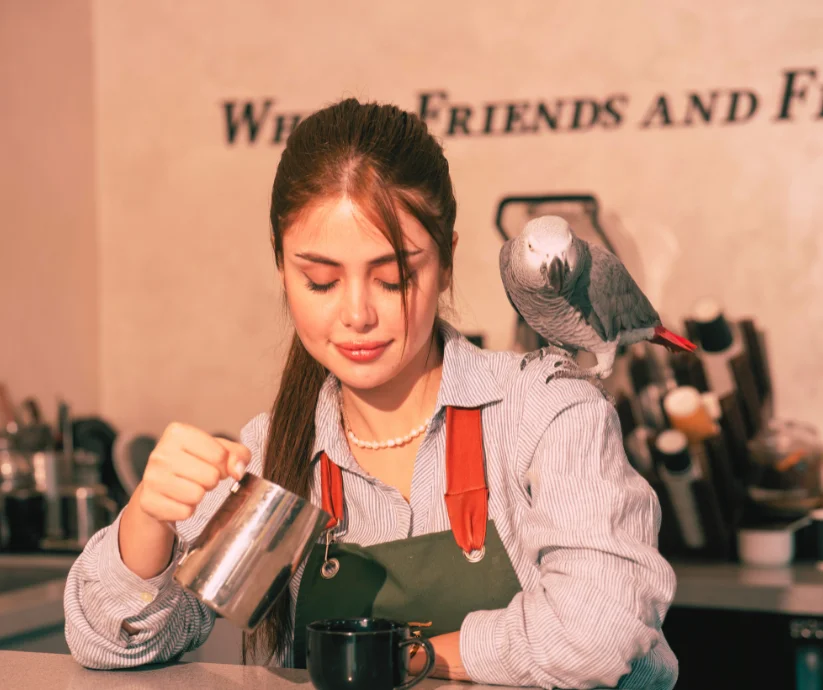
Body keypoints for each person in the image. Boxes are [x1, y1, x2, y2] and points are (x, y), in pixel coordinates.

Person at [64, 98, 678, 689]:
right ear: (283, 269)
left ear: (446, 264)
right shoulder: (271, 452)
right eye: (321, 280)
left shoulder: (547, 417)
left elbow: (599, 630)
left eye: (393, 277)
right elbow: (105, 643)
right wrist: (148, 519)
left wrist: (402, 658)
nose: (356, 314)